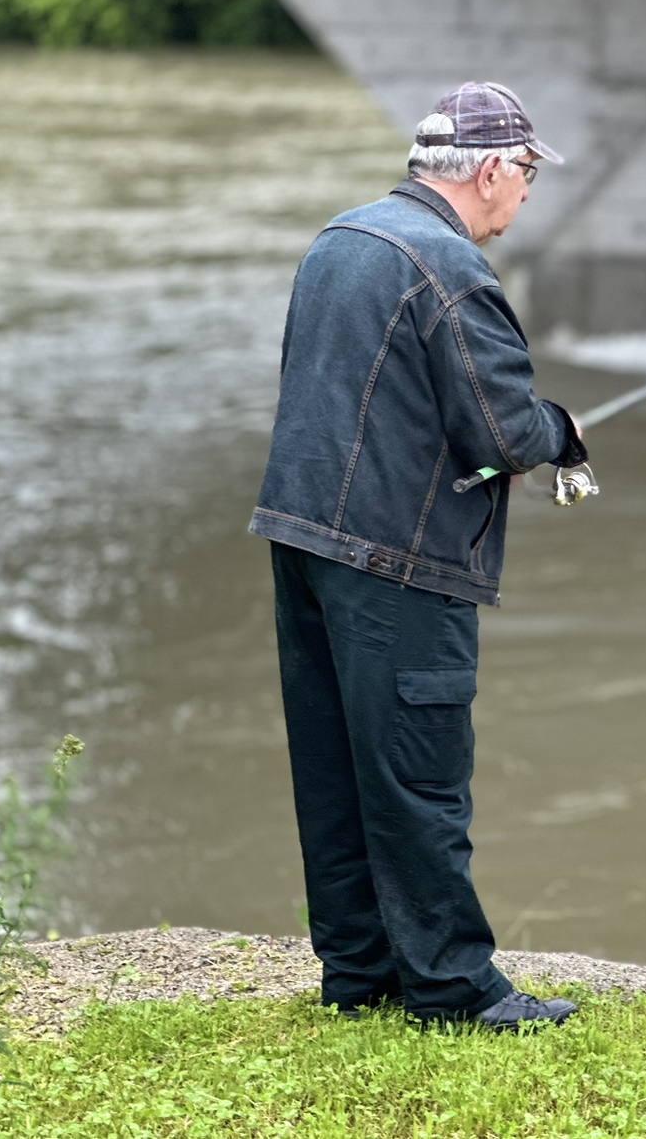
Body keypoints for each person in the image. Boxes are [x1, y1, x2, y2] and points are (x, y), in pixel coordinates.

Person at [249, 82, 588, 1028]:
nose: (525, 196)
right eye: (525, 175)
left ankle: (358, 979)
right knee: (418, 777)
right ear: (490, 172)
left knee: (336, 770)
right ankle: (452, 992)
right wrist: (565, 434)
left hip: (303, 538)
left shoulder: (340, 240)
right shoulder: (456, 273)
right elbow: (506, 430)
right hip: (396, 561)